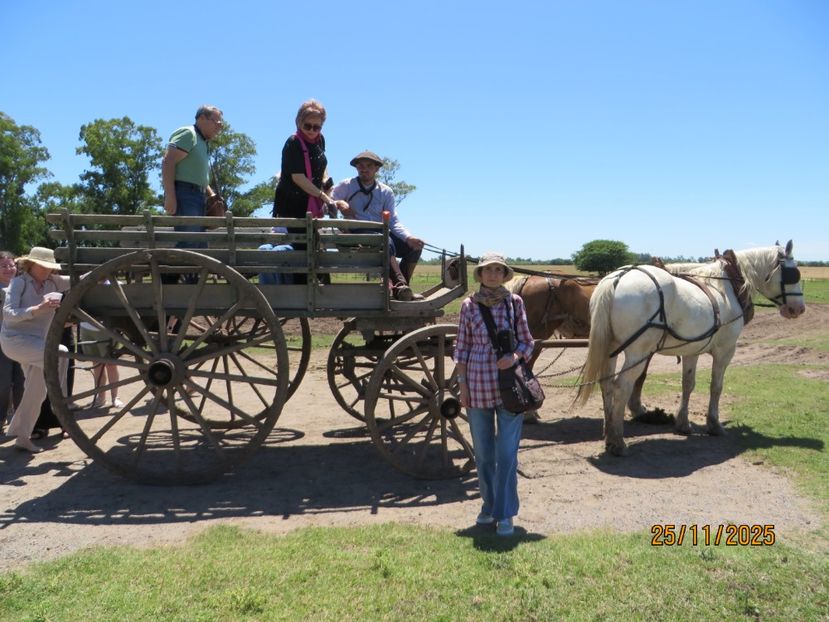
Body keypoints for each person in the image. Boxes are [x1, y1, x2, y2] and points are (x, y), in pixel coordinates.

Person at [452, 252, 534, 536]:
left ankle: (506, 513)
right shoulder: (468, 306)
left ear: (504, 275)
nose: (493, 275)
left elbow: (527, 342)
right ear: (481, 274)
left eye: (499, 270)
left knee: (507, 454)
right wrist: (462, 385)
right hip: (476, 387)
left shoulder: (515, 304)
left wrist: (514, 357)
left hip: (509, 388)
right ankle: (488, 507)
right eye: (488, 270)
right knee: (485, 455)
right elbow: (461, 348)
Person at [0, 247, 71, 453]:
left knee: (36, 391)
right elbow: (10, 314)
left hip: (38, 343)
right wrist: (38, 309)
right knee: (61, 352)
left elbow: (81, 278)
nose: (48, 270)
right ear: (32, 265)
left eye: (51, 267)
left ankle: (22, 436)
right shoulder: (19, 283)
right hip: (15, 341)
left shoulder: (53, 282)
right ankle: (60, 402)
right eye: (44, 266)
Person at [331, 151, 425, 300]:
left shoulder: (386, 192)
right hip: (356, 233)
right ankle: (400, 285)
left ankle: (400, 289)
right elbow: (327, 203)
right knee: (384, 240)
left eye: (369, 166)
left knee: (415, 246)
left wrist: (408, 237)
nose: (364, 169)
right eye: (360, 165)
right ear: (356, 168)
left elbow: (393, 221)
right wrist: (338, 203)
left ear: (376, 169)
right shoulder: (347, 185)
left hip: (381, 232)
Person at [161, 104, 225, 249]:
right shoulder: (188, 134)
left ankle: (186, 272)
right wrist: (170, 196)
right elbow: (168, 162)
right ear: (202, 118)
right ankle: (174, 272)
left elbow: (197, 175)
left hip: (197, 196)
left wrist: (211, 194)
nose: (219, 128)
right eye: (218, 123)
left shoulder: (202, 141)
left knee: (199, 244)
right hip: (185, 194)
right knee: (190, 241)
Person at [0, 251, 24, 434]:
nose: (9, 269)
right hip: (2, 341)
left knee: (22, 381)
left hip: (23, 339)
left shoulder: (22, 285)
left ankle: (20, 420)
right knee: (3, 382)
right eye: (4, 266)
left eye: (11, 265)